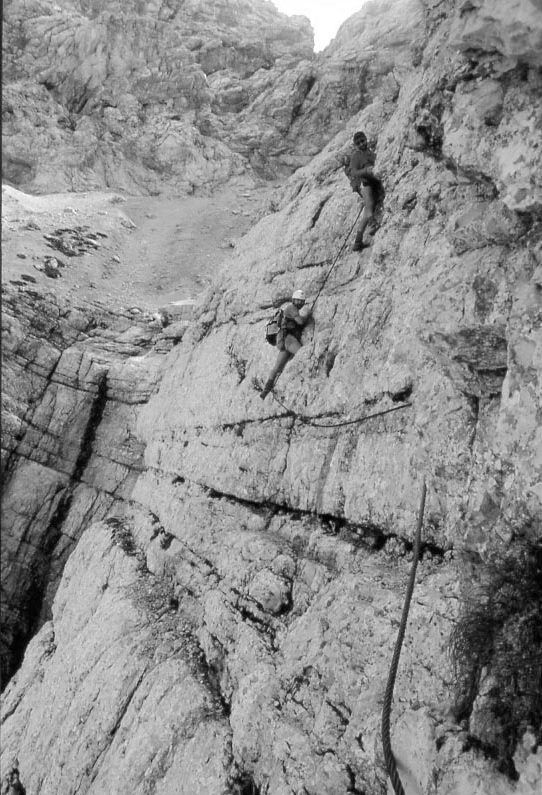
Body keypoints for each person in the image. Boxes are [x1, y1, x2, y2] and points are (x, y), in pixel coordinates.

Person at [260, 289, 311, 400]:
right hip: (288, 339)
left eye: (301, 301)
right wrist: (306, 316)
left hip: (283, 340)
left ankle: (266, 390)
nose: (300, 303)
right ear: (294, 300)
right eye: (298, 301)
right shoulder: (291, 308)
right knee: (303, 354)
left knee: (278, 367)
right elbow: (300, 321)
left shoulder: (290, 309)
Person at [344, 130, 380, 251]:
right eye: (358, 143)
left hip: (368, 183)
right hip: (363, 184)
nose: (361, 144)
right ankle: (373, 224)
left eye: (362, 141)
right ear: (355, 145)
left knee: (366, 212)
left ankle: (358, 242)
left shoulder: (369, 153)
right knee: (369, 205)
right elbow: (354, 171)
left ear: (366, 139)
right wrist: (366, 171)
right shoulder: (356, 156)